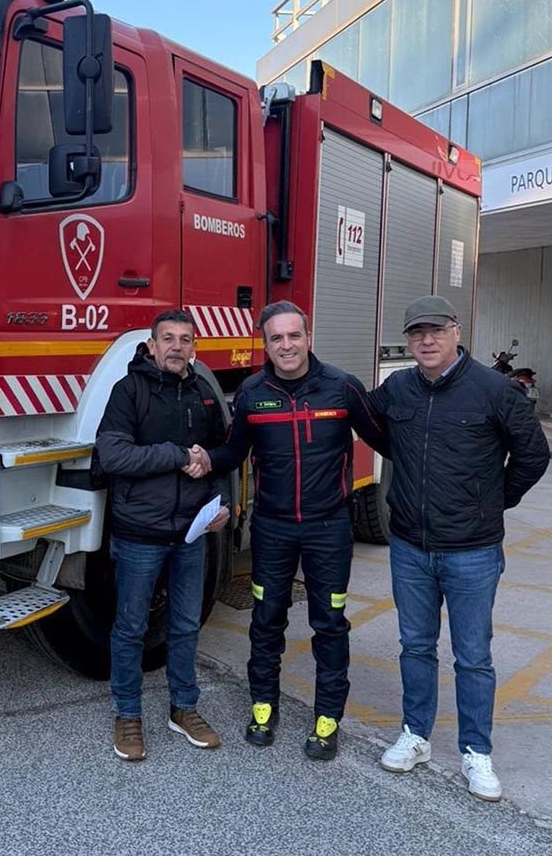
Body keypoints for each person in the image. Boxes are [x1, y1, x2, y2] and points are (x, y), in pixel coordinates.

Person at [370, 295, 550, 801]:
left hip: (472, 550)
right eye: (416, 333)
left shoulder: (494, 390)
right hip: (409, 545)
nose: (426, 340)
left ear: (456, 331)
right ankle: (416, 736)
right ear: (407, 340)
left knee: (473, 657)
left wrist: (493, 501)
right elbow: (375, 429)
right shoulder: (398, 387)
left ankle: (476, 752)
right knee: (416, 647)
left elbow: (533, 455)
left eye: (436, 331)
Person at [203, 300, 387, 761]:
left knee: (329, 623)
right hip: (272, 529)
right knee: (266, 621)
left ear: (309, 338)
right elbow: (231, 455)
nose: (286, 345)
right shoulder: (251, 393)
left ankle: (328, 717)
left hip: (330, 529)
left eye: (293, 335)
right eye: (276, 338)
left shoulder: (343, 388)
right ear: (265, 344)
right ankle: (263, 704)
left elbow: (388, 440)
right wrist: (198, 460)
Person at [96, 309, 230, 762]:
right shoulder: (128, 391)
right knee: (131, 628)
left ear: (195, 347)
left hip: (192, 534)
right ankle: (128, 715)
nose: (177, 346)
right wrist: (177, 455)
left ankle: (184, 708)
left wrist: (222, 503)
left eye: (185, 339)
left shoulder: (204, 395)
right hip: (140, 535)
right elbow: (112, 455)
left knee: (186, 626)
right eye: (167, 338)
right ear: (152, 346)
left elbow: (221, 456)